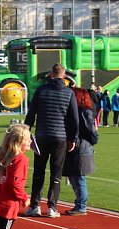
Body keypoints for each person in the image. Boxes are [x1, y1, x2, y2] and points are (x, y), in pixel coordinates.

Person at [23, 64, 78, 218]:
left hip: (41, 136)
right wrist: (72, 138)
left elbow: (31, 113)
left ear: (51, 74)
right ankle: (52, 207)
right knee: (56, 173)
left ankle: (35, 206)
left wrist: (26, 132)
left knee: (38, 172)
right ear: (64, 75)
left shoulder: (41, 91)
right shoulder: (69, 93)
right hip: (60, 137)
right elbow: (74, 119)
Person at [63, 88, 99, 216]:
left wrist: (91, 140)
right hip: (77, 146)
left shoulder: (83, 112)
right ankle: (79, 203)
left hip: (81, 147)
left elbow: (90, 130)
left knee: (78, 176)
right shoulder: (75, 112)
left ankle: (81, 205)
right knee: (74, 176)